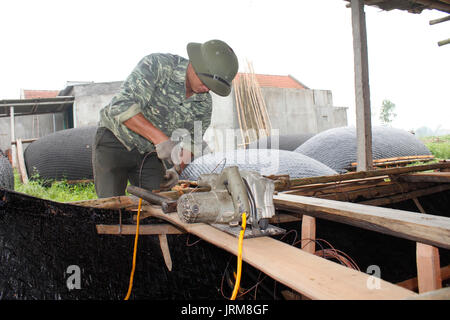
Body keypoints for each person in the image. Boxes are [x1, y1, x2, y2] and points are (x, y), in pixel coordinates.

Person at [92, 39, 239, 198]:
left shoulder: (203, 104)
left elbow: (191, 145)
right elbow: (120, 106)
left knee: (161, 202)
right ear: (196, 65)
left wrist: (176, 170)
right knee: (110, 208)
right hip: (115, 141)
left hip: (150, 154)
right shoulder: (158, 66)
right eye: (205, 81)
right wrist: (161, 140)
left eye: (212, 86)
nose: (207, 88)